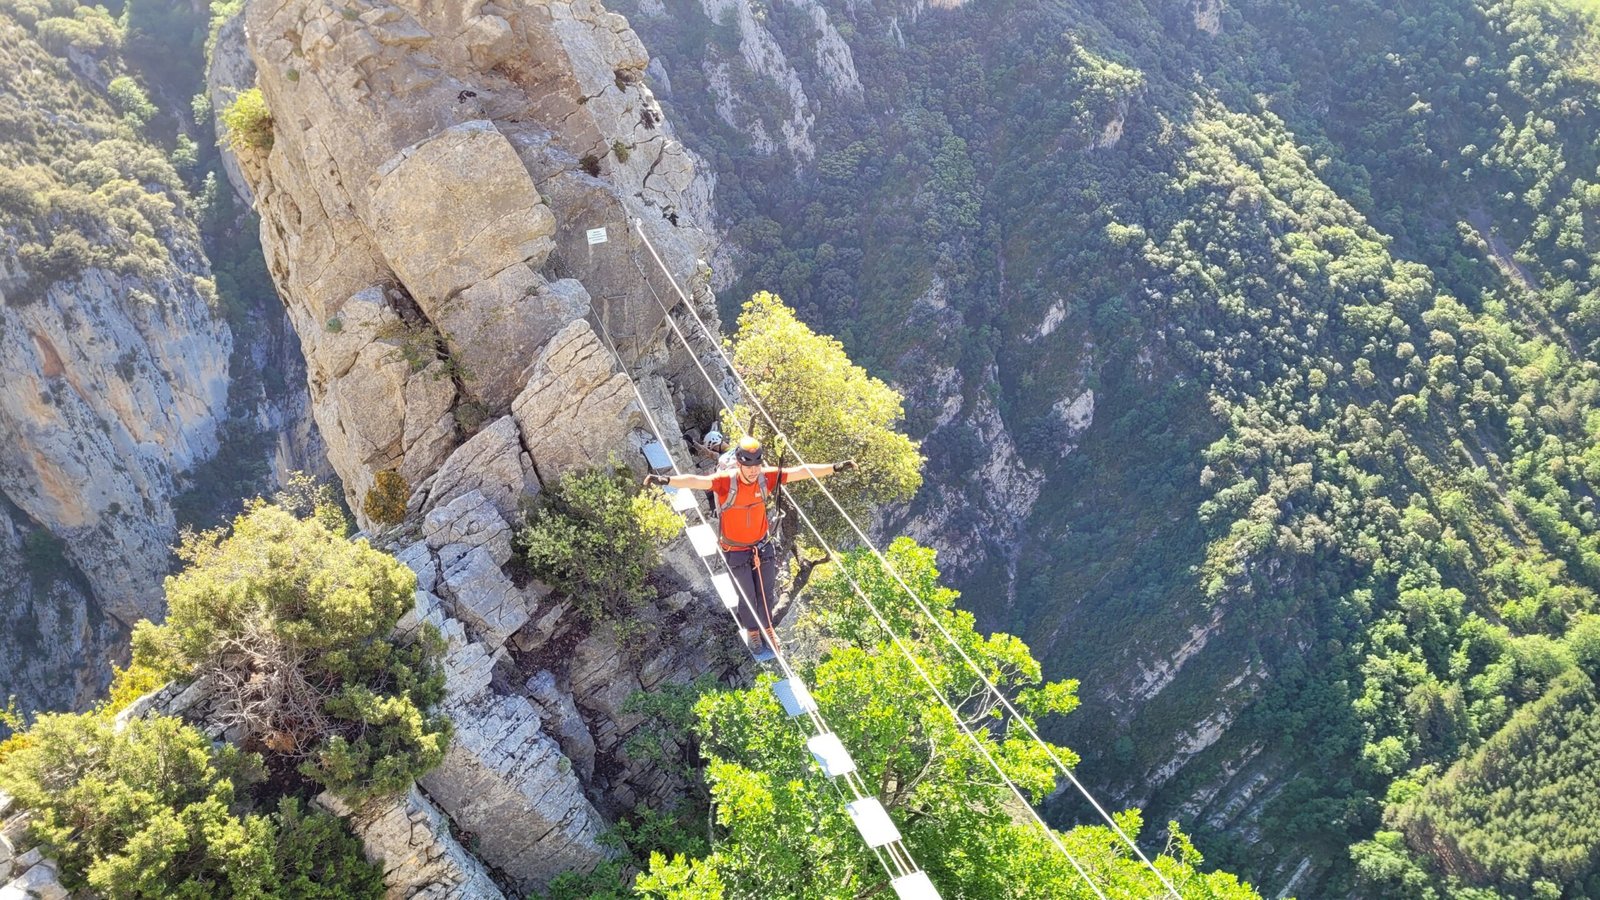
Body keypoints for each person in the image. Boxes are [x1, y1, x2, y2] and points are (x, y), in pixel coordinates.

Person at [646, 436, 855, 655]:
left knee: (766, 592)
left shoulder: (766, 478)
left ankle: (768, 629)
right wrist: (667, 481)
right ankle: (753, 631)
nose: (754, 470)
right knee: (746, 595)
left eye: (757, 465)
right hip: (734, 549)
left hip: (762, 545)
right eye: (749, 466)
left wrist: (835, 467)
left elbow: (800, 471)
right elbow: (695, 481)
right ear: (739, 464)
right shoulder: (726, 481)